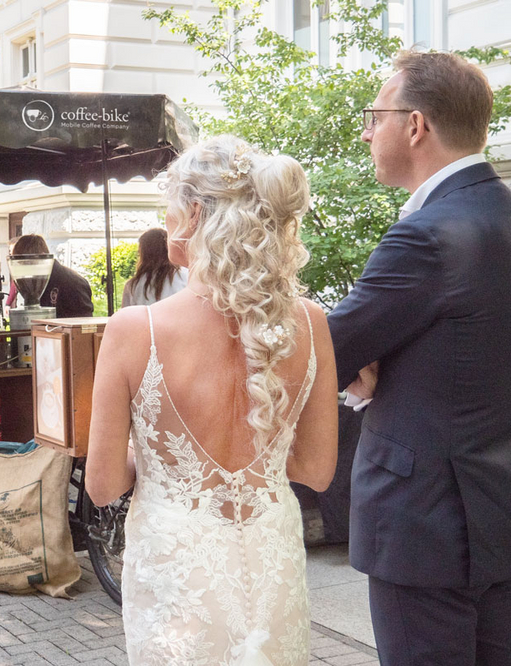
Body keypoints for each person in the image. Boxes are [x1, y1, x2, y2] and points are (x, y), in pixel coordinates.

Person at [86, 136, 339, 664]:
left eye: (170, 206)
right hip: (269, 558)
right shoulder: (311, 325)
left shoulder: (135, 330)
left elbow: (104, 484)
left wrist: (156, 458)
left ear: (195, 213)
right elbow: (316, 470)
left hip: (176, 569)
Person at [327, 51, 511, 666]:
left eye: (373, 116)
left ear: (415, 126)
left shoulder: (426, 236)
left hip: (425, 528)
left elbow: (327, 351)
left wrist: (360, 359)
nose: (365, 130)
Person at [10, 235, 94, 318]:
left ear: (43, 258)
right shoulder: (38, 283)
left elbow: (81, 326)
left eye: (26, 264)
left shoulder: (74, 283)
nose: (24, 271)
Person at [121, 227, 188, 307]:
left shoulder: (133, 286)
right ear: (168, 247)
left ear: (143, 253)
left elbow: (128, 316)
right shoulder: (186, 277)